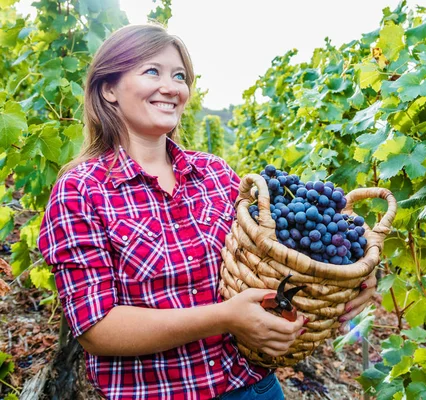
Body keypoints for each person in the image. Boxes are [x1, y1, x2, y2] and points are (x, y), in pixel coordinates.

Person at [37, 24, 376, 400]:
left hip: (254, 387)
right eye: (152, 71)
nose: (171, 87)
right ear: (108, 89)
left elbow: (282, 258)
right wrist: (225, 316)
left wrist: (350, 279)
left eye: (179, 76)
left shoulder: (216, 174)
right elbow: (96, 329)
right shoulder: (80, 191)